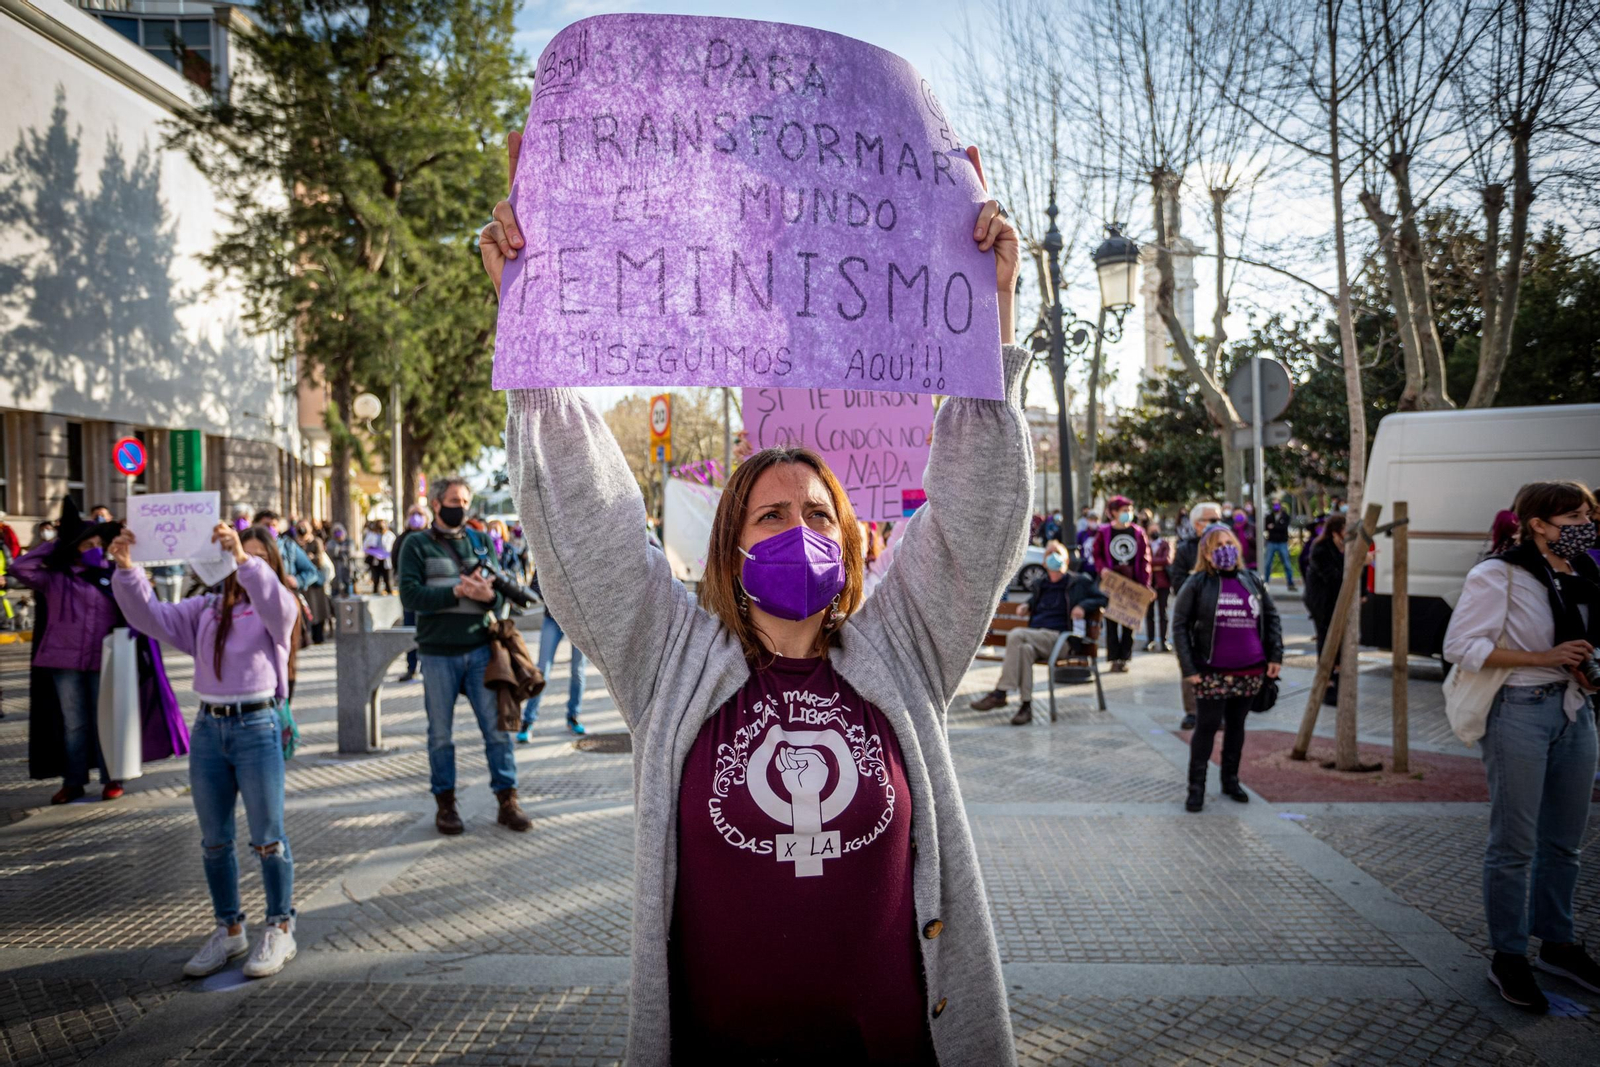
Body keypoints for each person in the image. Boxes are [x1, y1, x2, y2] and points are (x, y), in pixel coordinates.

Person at [482, 139, 1025, 1064]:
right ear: (731, 546)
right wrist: (535, 338)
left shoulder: (905, 644)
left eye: (818, 513)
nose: (796, 528)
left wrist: (987, 324)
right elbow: (594, 526)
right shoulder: (672, 661)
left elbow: (975, 520)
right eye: (770, 514)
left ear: (851, 541)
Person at [108, 522, 302, 979]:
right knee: (214, 841)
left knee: (268, 837)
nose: (241, 562)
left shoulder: (279, 606)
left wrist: (243, 558)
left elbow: (275, 604)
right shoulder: (208, 609)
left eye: (253, 557)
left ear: (267, 565)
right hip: (210, 728)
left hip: (257, 724)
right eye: (235, 554)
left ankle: (280, 926)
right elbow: (150, 618)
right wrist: (128, 570)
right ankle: (229, 929)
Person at [1443, 480, 1600, 1012]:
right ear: (1538, 523)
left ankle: (1558, 943)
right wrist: (1545, 657)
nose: (1587, 525)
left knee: (1566, 844)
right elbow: (1460, 646)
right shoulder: (1498, 574)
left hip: (1576, 711)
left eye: (1589, 515)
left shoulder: (1584, 571)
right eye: (1575, 517)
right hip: (1519, 713)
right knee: (1515, 846)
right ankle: (1508, 956)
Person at [396, 479, 529, 836]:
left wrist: (487, 596)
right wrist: (457, 591)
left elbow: (500, 599)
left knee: (497, 730)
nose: (462, 506)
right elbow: (410, 596)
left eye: (466, 500)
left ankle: (508, 801)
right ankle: (446, 805)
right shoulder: (417, 544)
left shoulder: (480, 541)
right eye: (455, 500)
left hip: (481, 650)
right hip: (438, 653)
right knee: (440, 734)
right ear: (437, 504)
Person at [10, 498, 124, 803]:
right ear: (74, 547)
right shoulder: (55, 577)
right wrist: (56, 545)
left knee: (105, 720)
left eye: (99, 544)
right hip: (63, 661)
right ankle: (73, 781)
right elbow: (19, 567)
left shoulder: (112, 576)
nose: (94, 549)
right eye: (88, 545)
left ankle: (112, 778)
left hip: (104, 660)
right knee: (74, 724)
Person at [1171, 524, 1283, 813]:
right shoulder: (1196, 584)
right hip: (1211, 672)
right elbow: (1180, 625)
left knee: (1237, 727)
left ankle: (1231, 780)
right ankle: (1196, 788)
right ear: (1207, 554)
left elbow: (1271, 619)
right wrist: (1189, 667)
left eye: (1228, 542)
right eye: (1217, 545)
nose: (1225, 549)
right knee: (1206, 728)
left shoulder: (1253, 581)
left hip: (1250, 671)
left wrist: (1275, 657)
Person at [970, 541, 1107, 725]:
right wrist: (1026, 606)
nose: (1053, 556)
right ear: (1044, 562)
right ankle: (1025, 707)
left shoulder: (1078, 581)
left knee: (1017, 634)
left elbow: (1102, 598)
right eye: (1049, 553)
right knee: (1024, 649)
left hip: (1061, 640)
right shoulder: (1041, 584)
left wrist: (1083, 606)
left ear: (1065, 559)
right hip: (1038, 639)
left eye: (1057, 553)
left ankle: (1001, 692)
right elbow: (1033, 601)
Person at [1169, 501, 1223, 730]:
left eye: (1218, 519)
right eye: (1211, 520)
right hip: (1194, 617)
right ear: (1197, 524)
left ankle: (1218, 711)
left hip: (1221, 617)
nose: (1216, 524)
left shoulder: (1226, 546)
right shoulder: (1186, 549)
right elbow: (1177, 582)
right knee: (1189, 662)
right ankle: (1192, 711)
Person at [518, 568, 588, 741]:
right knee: (542, 670)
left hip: (579, 621)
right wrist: (554, 594)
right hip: (552, 618)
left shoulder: (583, 551)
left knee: (577, 671)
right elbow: (534, 585)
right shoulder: (549, 548)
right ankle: (528, 720)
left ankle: (573, 716)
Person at [1093, 495, 1151, 672]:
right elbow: (1097, 554)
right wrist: (1102, 569)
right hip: (1112, 584)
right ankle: (1113, 658)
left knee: (1129, 623)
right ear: (1113, 513)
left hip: (1131, 584)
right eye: (1124, 511)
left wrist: (1145, 584)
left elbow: (1144, 559)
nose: (1128, 514)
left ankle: (1125, 658)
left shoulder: (1138, 532)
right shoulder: (1104, 532)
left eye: (1130, 510)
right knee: (1111, 622)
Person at [1304, 512, 1347, 707]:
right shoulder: (1321, 548)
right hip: (1322, 602)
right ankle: (1327, 682)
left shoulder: (1345, 548)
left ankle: (1336, 676)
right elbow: (1332, 576)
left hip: (1337, 601)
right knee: (1326, 639)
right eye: (1346, 529)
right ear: (1336, 531)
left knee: (1340, 641)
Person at [392, 508, 431, 681]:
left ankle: (426, 665)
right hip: (409, 591)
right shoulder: (402, 539)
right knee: (409, 628)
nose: (416, 518)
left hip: (429, 591)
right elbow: (395, 560)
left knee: (426, 629)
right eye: (413, 514)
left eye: (420, 514)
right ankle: (411, 666)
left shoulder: (431, 537)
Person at [1146, 522, 1173, 652]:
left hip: (1163, 583)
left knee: (1163, 613)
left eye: (1156, 529)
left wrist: (1150, 564)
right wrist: (1155, 564)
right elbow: (1143, 560)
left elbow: (1166, 560)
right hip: (1149, 583)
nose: (1154, 531)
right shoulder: (1145, 543)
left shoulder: (1165, 544)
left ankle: (1164, 641)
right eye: (1152, 529)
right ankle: (1149, 640)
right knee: (1149, 613)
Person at [1263, 496, 1296, 590]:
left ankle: (1290, 583)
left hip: (1282, 543)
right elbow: (1266, 527)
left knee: (1287, 564)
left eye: (1277, 504)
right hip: (1271, 542)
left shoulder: (1285, 516)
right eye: (1274, 505)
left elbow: (1283, 528)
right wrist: (1277, 526)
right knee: (1268, 563)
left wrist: (1273, 527)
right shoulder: (1269, 516)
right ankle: (1265, 583)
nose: (1275, 506)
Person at [363, 519, 395, 595]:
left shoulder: (390, 535)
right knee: (375, 579)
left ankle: (389, 593)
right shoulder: (371, 535)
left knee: (388, 579)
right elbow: (365, 546)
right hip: (375, 560)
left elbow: (392, 547)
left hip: (386, 560)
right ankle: (375, 593)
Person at [326, 524, 353, 597]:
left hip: (347, 567)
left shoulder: (348, 541)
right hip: (335, 567)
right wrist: (341, 549)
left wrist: (340, 550)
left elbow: (351, 551)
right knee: (335, 585)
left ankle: (348, 596)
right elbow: (331, 551)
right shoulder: (331, 542)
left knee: (348, 583)